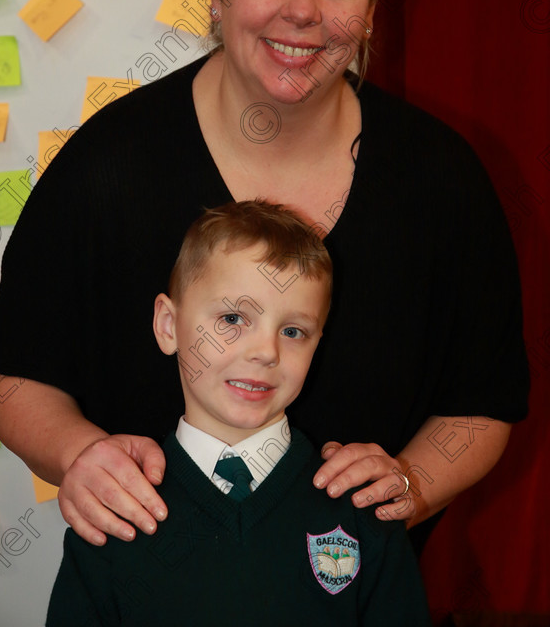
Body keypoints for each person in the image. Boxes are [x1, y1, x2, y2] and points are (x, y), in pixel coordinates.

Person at [0, 0, 529, 553]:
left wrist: (413, 483)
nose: (302, 10)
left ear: (370, 8)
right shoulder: (109, 166)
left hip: (354, 597)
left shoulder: (441, 179)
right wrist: (78, 456)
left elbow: (482, 405)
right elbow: (14, 374)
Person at [46, 200, 431, 626]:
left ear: (317, 343)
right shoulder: (110, 508)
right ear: (168, 326)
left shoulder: (363, 507)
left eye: (293, 331)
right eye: (233, 318)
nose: (266, 351)